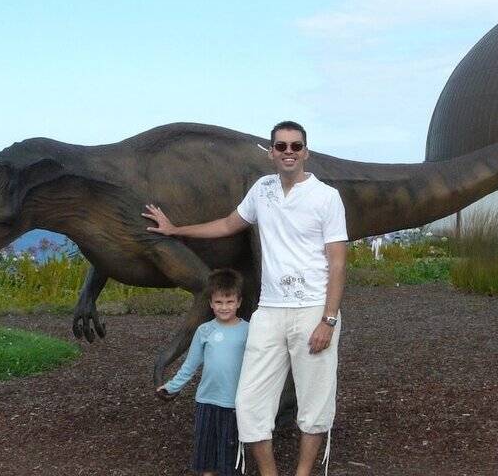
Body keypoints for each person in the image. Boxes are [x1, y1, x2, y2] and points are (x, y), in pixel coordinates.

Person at [143, 120, 348, 476]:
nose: (288, 152)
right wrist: (175, 229)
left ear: (306, 152)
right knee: (249, 402)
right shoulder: (262, 190)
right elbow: (226, 224)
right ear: (271, 152)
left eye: (295, 146)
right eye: (281, 146)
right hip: (269, 310)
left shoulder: (326, 197)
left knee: (314, 404)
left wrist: (328, 319)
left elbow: (338, 260)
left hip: (313, 308)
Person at [156, 268, 250, 476]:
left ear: (239, 302)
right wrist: (172, 386)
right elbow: (191, 364)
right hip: (206, 401)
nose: (224, 307)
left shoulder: (249, 331)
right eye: (218, 302)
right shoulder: (204, 330)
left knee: (229, 458)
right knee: (206, 457)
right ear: (210, 303)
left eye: (229, 302)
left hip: (234, 404)